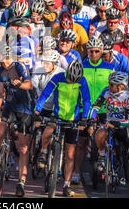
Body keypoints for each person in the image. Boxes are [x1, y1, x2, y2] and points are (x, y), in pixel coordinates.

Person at [34, 58, 91, 197]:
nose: (72, 82)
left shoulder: (82, 81)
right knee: (47, 132)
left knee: (70, 155)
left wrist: (84, 119)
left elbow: (87, 100)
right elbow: (45, 94)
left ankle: (66, 185)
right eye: (70, 79)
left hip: (73, 119)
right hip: (57, 115)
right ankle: (43, 152)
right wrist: (37, 111)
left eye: (74, 81)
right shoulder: (59, 77)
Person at [89, 71, 129, 197]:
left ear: (120, 86)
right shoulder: (106, 91)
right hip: (109, 125)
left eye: (111, 84)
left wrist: (116, 124)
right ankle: (102, 154)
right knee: (99, 134)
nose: (109, 86)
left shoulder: (128, 97)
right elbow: (96, 106)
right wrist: (92, 118)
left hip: (124, 128)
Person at [0, 45, 33, 197]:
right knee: (0, 131)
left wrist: (20, 84)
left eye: (7, 58)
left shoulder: (19, 66)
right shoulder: (0, 70)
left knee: (23, 148)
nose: (5, 62)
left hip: (24, 108)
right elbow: (0, 91)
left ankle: (21, 182)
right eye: (2, 58)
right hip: (9, 105)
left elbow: (29, 84)